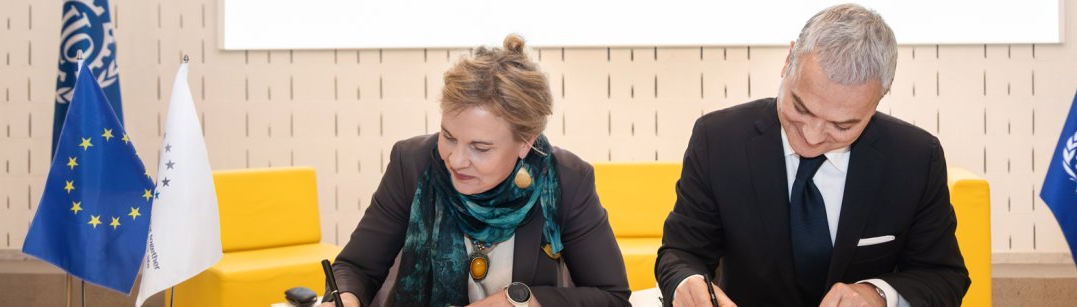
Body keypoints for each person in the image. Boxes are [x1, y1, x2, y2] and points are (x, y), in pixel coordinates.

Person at [655, 4, 969, 307]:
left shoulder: (915, 158)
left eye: (842, 125)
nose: (812, 136)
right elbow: (682, 252)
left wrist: (878, 294)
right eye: (800, 108)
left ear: (877, 101)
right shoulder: (719, 140)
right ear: (788, 60)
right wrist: (687, 283)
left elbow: (943, 277)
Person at [325, 34, 631, 307]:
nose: (456, 160)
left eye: (480, 148)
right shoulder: (412, 164)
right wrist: (346, 299)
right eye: (448, 136)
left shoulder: (567, 179)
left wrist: (520, 301)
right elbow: (355, 269)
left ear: (525, 142)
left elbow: (612, 296)